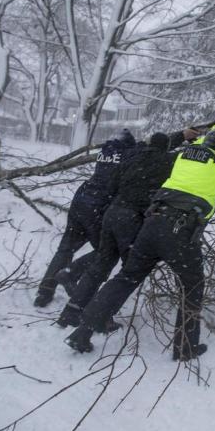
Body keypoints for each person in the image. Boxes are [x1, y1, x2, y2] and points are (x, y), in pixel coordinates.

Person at [66, 119, 215, 360]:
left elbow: (201, 143)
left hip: (151, 225)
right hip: (180, 232)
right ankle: (185, 348)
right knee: (192, 287)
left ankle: (83, 332)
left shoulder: (183, 157)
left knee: (126, 277)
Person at [55, 128, 199, 331]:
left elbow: (117, 180)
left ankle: (71, 312)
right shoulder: (168, 162)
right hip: (131, 220)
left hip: (111, 214)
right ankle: (101, 317)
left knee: (102, 263)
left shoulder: (133, 154)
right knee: (128, 274)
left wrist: (182, 135)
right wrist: (196, 141)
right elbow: (188, 157)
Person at [33, 129, 136, 307]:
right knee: (106, 250)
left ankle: (45, 291)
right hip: (98, 205)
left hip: (81, 199)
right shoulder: (129, 155)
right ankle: (70, 273)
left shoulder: (106, 151)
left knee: (65, 248)